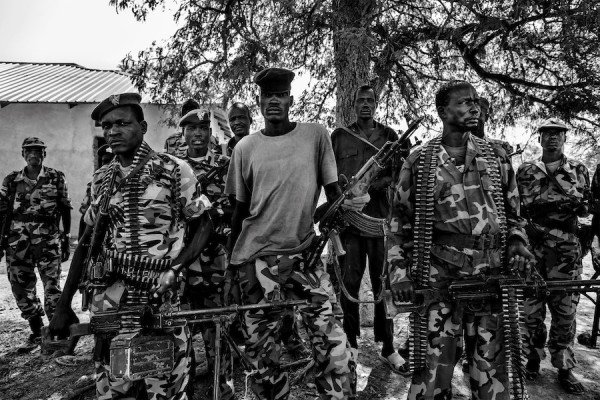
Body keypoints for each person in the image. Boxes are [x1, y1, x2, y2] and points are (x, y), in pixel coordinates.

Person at [49, 92, 213, 399]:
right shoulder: (101, 179)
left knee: (165, 385)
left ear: (143, 126)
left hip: (161, 297)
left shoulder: (174, 170)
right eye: (107, 125)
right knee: (113, 385)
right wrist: (63, 305)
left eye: (122, 123)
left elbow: (204, 223)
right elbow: (87, 241)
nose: (113, 131)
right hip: (111, 301)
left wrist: (175, 269)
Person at [388, 80, 534, 399]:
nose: (473, 107)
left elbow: (514, 215)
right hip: (440, 280)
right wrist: (400, 275)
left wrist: (517, 241)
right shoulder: (419, 159)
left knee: (494, 380)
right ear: (443, 111)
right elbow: (399, 224)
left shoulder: (497, 155)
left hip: (492, 279)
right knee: (431, 378)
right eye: (464, 102)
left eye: (475, 102)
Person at [225, 67, 361, 400]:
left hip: (306, 256)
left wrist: (346, 205)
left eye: (280, 95)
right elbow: (239, 214)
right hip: (256, 262)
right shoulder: (245, 148)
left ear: (290, 99)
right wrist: (230, 269)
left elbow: (333, 195)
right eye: (267, 96)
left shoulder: (315, 136)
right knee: (263, 360)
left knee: (333, 349)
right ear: (259, 103)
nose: (274, 101)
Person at [330, 84, 408, 375]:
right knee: (348, 287)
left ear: (376, 104)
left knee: (383, 287)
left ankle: (387, 347)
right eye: (360, 99)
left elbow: (401, 175)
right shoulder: (339, 137)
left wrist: (374, 184)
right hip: (349, 224)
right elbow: (328, 175)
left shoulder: (389, 137)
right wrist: (344, 199)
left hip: (379, 223)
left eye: (370, 100)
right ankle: (350, 342)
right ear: (354, 103)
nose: (365, 104)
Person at [516, 118, 589, 395]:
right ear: (539, 139)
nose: (553, 138)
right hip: (532, 249)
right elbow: (517, 209)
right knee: (530, 308)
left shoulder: (578, 170)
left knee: (565, 310)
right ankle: (533, 357)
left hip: (567, 249)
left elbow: (585, 208)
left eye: (558, 134)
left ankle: (565, 366)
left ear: (564, 139)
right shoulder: (525, 170)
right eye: (547, 134)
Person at [178, 108, 234, 398]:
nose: (198, 133)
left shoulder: (225, 165)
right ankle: (184, 385)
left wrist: (211, 212)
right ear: (183, 134)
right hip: (182, 263)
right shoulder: (172, 167)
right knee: (182, 328)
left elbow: (235, 204)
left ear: (210, 134)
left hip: (214, 259)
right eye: (191, 128)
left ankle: (222, 387)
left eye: (203, 128)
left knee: (216, 325)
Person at [0, 137, 72, 352]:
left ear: (44, 154)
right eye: (29, 151)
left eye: (38, 151)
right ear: (23, 154)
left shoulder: (56, 177)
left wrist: (66, 237)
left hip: (48, 241)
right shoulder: (11, 180)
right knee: (20, 286)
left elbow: (65, 207)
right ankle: (36, 328)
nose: (34, 155)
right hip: (17, 242)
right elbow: (2, 211)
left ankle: (57, 331)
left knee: (52, 286)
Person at [77, 145, 114, 239]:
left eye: (111, 162)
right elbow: (85, 214)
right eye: (104, 162)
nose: (106, 167)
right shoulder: (92, 185)